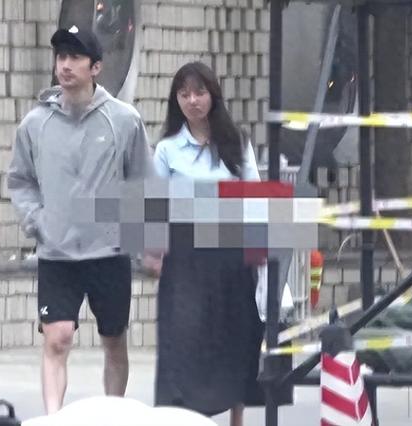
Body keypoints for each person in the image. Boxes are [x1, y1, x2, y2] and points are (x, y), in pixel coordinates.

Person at [7, 25, 153, 414]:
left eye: (75, 58)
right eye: (61, 57)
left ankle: (113, 413)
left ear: (96, 67)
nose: (65, 66)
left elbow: (141, 182)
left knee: (113, 339)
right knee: (57, 338)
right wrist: (37, 221)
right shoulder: (35, 123)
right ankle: (54, 418)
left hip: (108, 253)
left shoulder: (123, 120)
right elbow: (20, 180)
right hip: (57, 255)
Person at [151, 61, 265, 426]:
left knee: (235, 338)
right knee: (184, 343)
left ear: (213, 95)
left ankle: (236, 419)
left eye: (199, 92)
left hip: (232, 258)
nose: (192, 101)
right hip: (185, 261)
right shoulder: (167, 149)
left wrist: (262, 248)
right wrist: (153, 251)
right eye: (184, 94)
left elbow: (256, 197)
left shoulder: (237, 143)